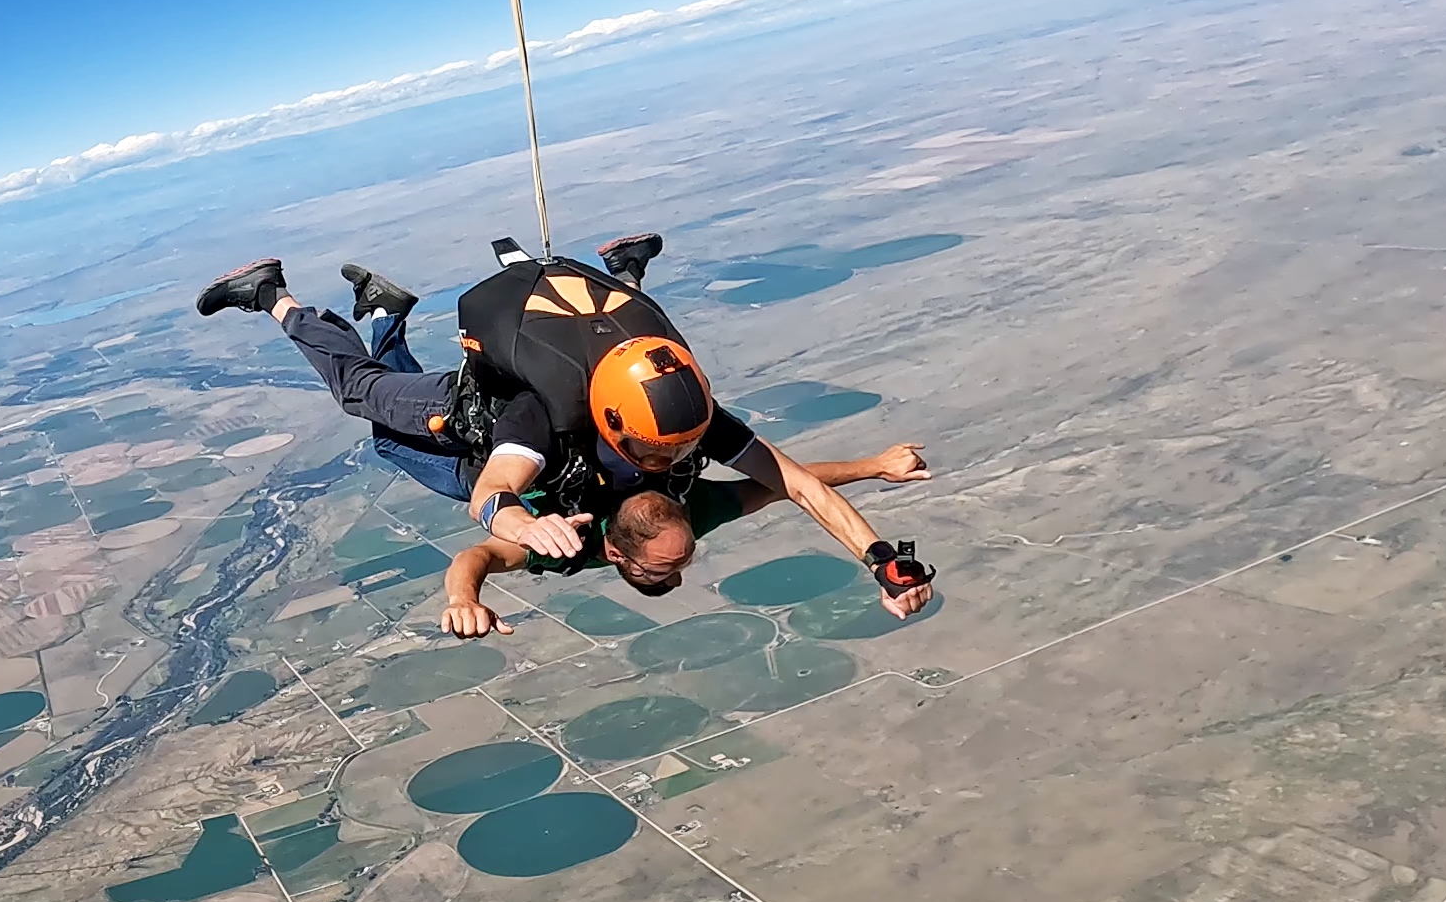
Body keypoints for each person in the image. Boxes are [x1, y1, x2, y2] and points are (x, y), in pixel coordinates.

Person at [196, 236, 933, 625]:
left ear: (618, 555)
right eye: (676, 566)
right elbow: (794, 486)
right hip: (501, 411)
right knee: (367, 403)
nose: (680, 561)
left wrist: (507, 538)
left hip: (483, 427)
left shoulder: (581, 492)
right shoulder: (654, 456)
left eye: (662, 572)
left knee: (379, 421)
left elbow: (488, 506)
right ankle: (273, 292)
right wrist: (880, 538)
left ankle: (352, 308)